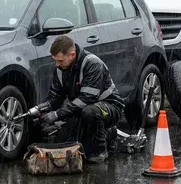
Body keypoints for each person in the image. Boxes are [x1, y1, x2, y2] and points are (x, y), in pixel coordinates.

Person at [40, 35, 124, 164]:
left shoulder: (92, 63)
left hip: (110, 107)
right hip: (82, 109)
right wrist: (44, 108)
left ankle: (100, 149)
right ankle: (102, 134)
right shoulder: (60, 69)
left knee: (90, 112)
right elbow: (55, 96)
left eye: (60, 61)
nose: (57, 64)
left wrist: (57, 114)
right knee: (65, 142)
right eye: (55, 60)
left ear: (72, 55)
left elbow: (87, 98)